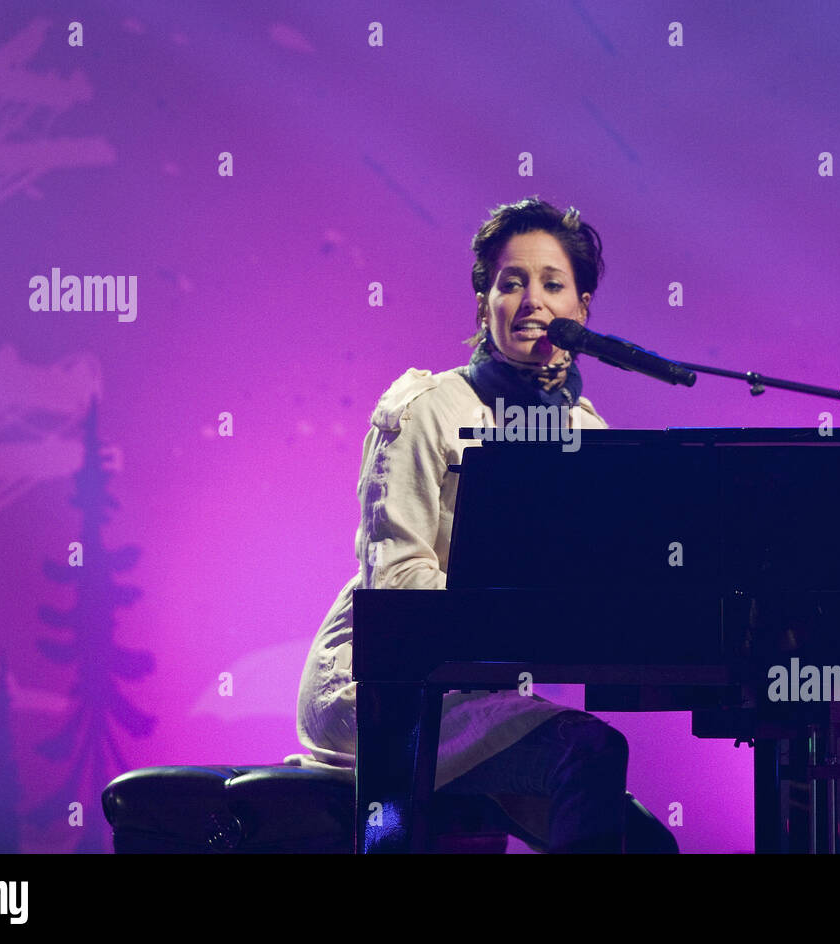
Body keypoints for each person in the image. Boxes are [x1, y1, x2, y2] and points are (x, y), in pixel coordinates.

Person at [286, 197, 677, 854]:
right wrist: (524, 617)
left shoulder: (588, 432)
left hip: (480, 699)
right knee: (591, 749)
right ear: (484, 303)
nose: (531, 300)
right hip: (382, 690)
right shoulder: (427, 410)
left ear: (582, 310)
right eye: (510, 282)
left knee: (647, 846)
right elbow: (399, 580)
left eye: (553, 284)